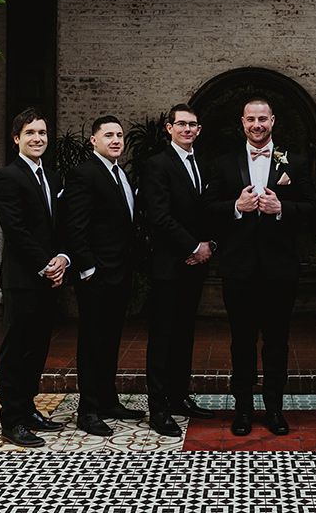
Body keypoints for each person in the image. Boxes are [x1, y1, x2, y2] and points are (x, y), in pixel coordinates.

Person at [205, 94, 316, 437]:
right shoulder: (224, 163)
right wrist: (236, 207)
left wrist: (281, 208)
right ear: (242, 122)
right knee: (240, 343)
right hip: (238, 270)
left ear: (273, 121)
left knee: (277, 342)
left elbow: (313, 207)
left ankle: (273, 409)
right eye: (250, 119)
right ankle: (242, 410)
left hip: (279, 271)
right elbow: (208, 207)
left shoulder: (294, 163)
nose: (257, 125)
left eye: (263, 119)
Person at [0, 107, 69, 448]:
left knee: (38, 348)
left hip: (49, 277)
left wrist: (63, 259)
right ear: (16, 139)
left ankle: (29, 408)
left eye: (42, 132)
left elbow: (62, 225)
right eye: (30, 133)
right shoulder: (7, 176)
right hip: (23, 278)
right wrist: (46, 264)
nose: (37, 138)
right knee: (16, 350)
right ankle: (12, 419)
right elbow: (16, 230)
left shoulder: (52, 177)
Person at [63, 115, 145, 437]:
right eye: (108, 135)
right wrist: (88, 269)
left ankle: (109, 400)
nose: (115, 140)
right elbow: (75, 226)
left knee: (111, 340)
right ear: (93, 141)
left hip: (120, 272)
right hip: (96, 275)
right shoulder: (84, 174)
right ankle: (88, 410)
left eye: (119, 135)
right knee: (93, 342)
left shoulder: (118, 173)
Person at [140, 103, 216, 437]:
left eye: (193, 125)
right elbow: (158, 216)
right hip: (169, 265)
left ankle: (179, 398)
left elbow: (210, 211)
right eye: (181, 124)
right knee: (162, 337)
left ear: (199, 130)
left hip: (195, 264)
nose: (187, 129)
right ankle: (158, 408)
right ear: (169, 128)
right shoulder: (157, 164)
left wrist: (208, 245)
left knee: (184, 334)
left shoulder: (203, 163)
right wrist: (191, 247)